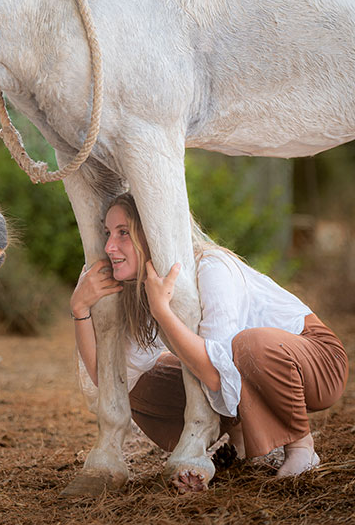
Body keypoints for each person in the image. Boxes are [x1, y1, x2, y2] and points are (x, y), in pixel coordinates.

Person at [70, 193, 348, 477]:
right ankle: (242, 440)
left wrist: (162, 312)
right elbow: (109, 378)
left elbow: (217, 374)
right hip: (253, 373)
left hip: (317, 363)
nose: (109, 246)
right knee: (145, 382)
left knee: (247, 345)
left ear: (153, 233)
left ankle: (301, 446)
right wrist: (80, 309)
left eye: (123, 233)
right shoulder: (142, 288)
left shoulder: (211, 267)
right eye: (108, 233)